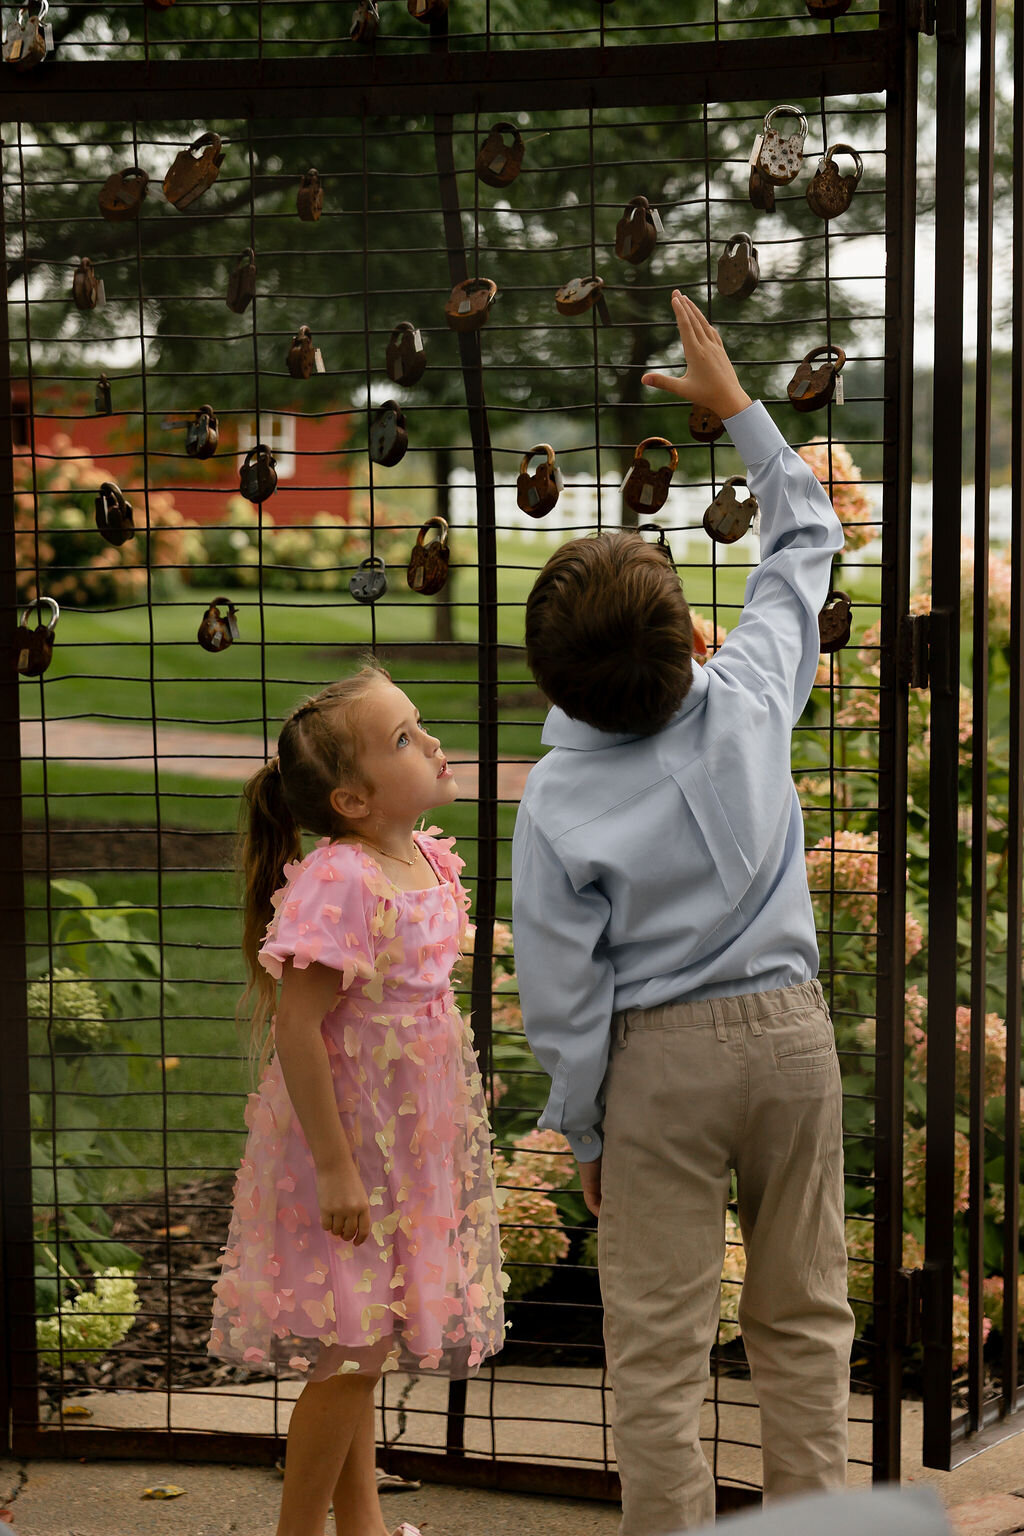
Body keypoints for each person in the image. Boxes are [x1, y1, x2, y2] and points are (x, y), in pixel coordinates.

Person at [511, 294, 856, 1535]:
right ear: (682, 640)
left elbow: (560, 993)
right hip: (792, 1040)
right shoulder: (755, 688)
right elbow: (803, 533)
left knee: (655, 1349)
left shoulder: (553, 799)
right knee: (805, 1320)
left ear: (552, 680)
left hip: (654, 1068)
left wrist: (587, 1129)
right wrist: (736, 412)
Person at [209, 661, 505, 1536]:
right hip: (349, 1148)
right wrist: (337, 1169)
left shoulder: (417, 856)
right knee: (349, 1351)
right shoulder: (343, 878)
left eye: (418, 725)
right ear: (351, 800)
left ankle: (362, 1528)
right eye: (405, 738)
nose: (434, 741)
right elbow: (297, 1029)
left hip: (410, 1144)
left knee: (363, 1340)